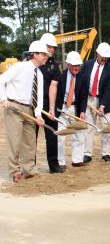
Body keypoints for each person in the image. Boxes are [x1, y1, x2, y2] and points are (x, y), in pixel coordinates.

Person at [0, 40, 48, 182]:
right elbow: (1, 80)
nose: (46, 56)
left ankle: (29, 170)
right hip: (14, 107)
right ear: (35, 54)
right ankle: (14, 171)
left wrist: (38, 115)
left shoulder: (39, 74)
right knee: (14, 141)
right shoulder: (20, 67)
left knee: (30, 141)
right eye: (43, 54)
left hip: (29, 109)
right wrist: (3, 99)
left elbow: (38, 98)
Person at [49, 51, 88, 168]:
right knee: (60, 136)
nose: (77, 68)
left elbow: (83, 96)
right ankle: (61, 162)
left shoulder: (83, 77)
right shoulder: (60, 76)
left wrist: (82, 111)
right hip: (62, 108)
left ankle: (77, 159)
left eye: (78, 65)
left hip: (75, 108)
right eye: (74, 65)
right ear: (68, 65)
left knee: (79, 134)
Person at [82, 42, 110, 162]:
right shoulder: (86, 65)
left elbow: (109, 88)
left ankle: (105, 153)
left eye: (107, 57)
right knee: (89, 127)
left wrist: (102, 105)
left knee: (106, 127)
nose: (105, 59)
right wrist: (82, 96)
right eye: (103, 56)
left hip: (105, 101)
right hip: (89, 100)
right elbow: (81, 81)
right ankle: (87, 154)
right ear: (97, 54)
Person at [36, 32, 62, 174]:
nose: (52, 49)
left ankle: (54, 165)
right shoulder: (32, 63)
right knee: (30, 137)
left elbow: (53, 87)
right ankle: (30, 166)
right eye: (49, 46)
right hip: (33, 106)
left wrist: (52, 108)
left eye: (53, 47)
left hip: (48, 105)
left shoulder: (55, 65)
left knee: (52, 136)